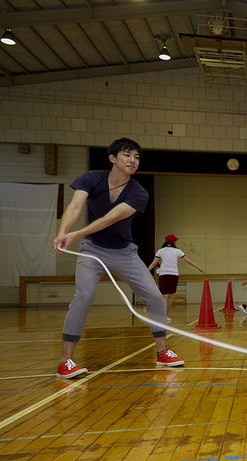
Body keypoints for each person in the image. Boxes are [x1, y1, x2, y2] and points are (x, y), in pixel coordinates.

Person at [51, 137, 185, 379]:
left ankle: (162, 352)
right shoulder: (91, 178)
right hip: (92, 249)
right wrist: (62, 234)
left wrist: (76, 234)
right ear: (112, 158)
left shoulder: (138, 192)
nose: (133, 160)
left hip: (125, 252)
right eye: (126, 155)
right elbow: (75, 206)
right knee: (84, 296)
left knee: (154, 297)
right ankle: (65, 362)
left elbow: (111, 218)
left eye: (136, 157)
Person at [147, 234, 204, 321]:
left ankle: (163, 316)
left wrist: (146, 271)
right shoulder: (178, 251)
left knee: (164, 297)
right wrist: (198, 267)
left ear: (166, 241)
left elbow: (154, 263)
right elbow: (188, 261)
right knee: (170, 296)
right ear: (174, 242)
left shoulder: (160, 251)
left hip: (163, 275)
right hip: (174, 275)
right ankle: (166, 316)